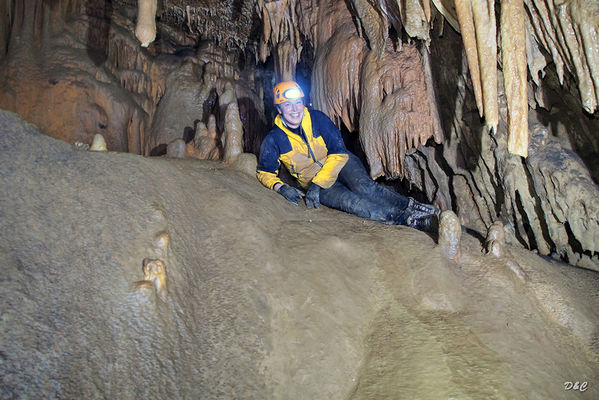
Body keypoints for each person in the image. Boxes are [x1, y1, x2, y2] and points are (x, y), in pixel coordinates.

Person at [256, 80, 439, 232]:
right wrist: (280, 187)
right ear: (279, 109)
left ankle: (411, 205)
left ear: (303, 103)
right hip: (312, 180)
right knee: (352, 203)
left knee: (365, 188)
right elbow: (264, 172)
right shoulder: (274, 139)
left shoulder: (317, 119)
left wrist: (319, 183)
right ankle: (406, 219)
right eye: (287, 105)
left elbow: (338, 151)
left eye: (297, 103)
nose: (294, 109)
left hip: (337, 162)